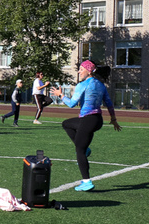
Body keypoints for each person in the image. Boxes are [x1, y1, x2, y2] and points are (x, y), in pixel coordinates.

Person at [51, 60, 121, 191]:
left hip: (87, 120)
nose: (79, 71)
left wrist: (60, 95)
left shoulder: (83, 85)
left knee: (79, 151)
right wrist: (113, 119)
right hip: (97, 120)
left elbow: (71, 103)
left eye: (81, 69)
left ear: (89, 71)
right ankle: (86, 149)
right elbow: (109, 103)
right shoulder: (100, 85)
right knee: (66, 124)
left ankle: (86, 181)